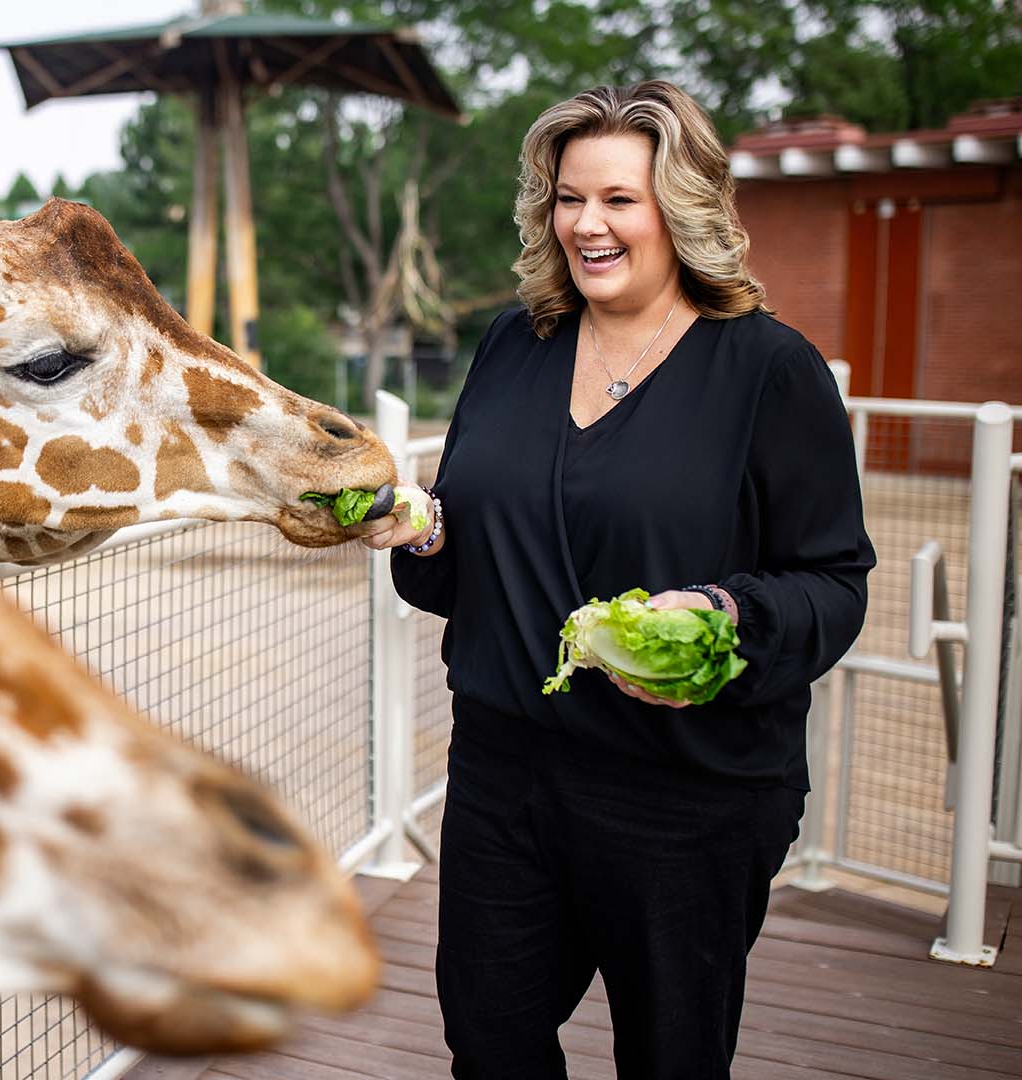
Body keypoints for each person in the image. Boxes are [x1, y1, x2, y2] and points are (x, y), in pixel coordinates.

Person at [362, 80, 874, 1078]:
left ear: (679, 209)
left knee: (671, 1060)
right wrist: (423, 536)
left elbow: (834, 582)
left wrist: (726, 616)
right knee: (490, 1041)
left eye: (617, 200)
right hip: (506, 772)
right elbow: (466, 564)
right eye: (567, 198)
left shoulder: (769, 372)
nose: (585, 225)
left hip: (687, 795)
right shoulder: (516, 344)